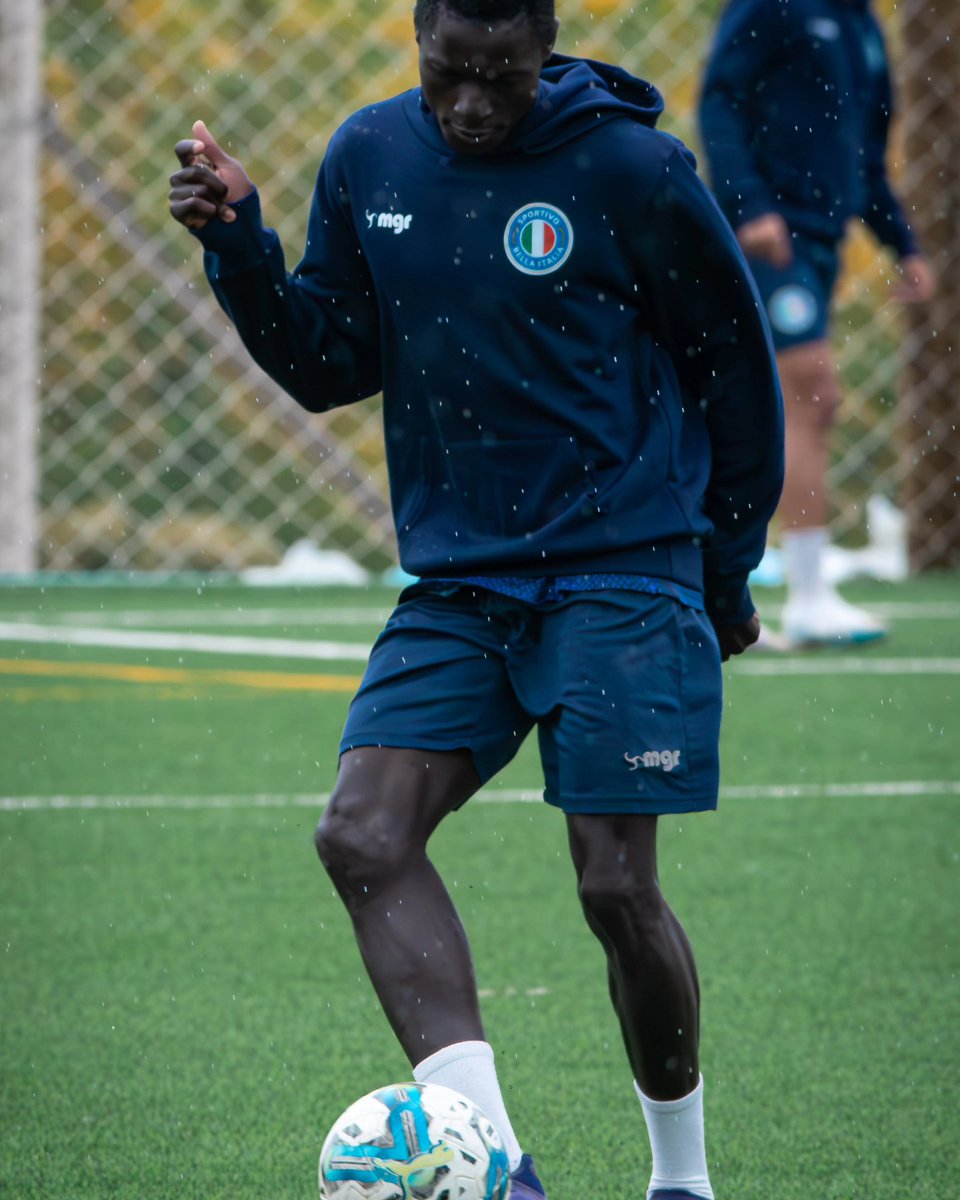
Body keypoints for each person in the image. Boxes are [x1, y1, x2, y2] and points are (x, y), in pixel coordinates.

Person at [169, 1, 783, 1196]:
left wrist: (723, 572)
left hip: (625, 564)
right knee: (361, 833)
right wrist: (241, 245)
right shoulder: (369, 156)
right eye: (451, 73)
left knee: (615, 885)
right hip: (461, 580)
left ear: (544, 49)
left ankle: (682, 1181)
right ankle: (497, 1164)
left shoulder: (635, 169)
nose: (471, 104)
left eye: (502, 78)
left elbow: (735, 371)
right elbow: (328, 364)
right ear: (419, 40)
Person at [698, 0, 934, 649]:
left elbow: (866, 150)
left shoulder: (862, 24)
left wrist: (902, 243)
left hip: (823, 239)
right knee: (812, 392)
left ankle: (741, 585)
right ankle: (804, 593)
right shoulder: (772, 5)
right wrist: (748, 205)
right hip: (775, 234)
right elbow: (719, 99)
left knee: (775, 404)